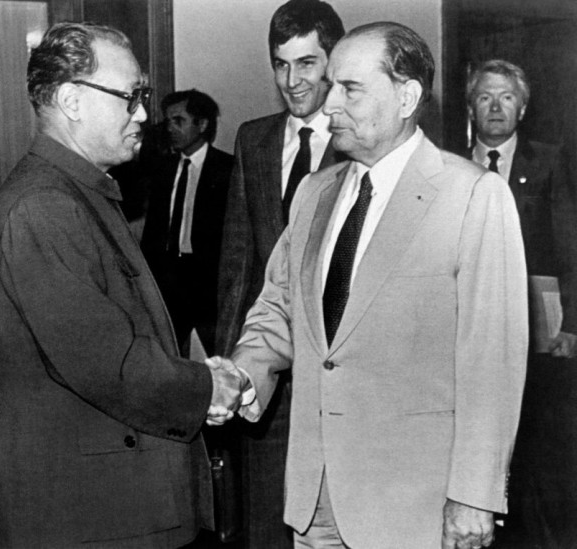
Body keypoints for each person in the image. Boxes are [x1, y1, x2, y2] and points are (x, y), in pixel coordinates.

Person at [209, 22, 529, 549]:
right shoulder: (315, 192)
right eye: (330, 84)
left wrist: (475, 494)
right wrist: (242, 375)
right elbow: (280, 309)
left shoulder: (473, 196)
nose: (327, 103)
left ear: (406, 96)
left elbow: (492, 359)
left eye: (349, 88)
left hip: (415, 502)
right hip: (315, 497)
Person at [0, 22, 242, 548]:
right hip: (95, 517)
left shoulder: (77, 193)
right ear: (72, 100)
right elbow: (109, 363)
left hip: (109, 507)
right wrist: (207, 385)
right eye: (130, 96)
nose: (143, 113)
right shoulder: (45, 207)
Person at [214, 1, 344, 546]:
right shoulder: (254, 138)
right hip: (264, 382)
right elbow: (238, 262)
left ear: (335, 61)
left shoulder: (359, 143)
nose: (292, 81)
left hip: (333, 374)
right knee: (266, 521)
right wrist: (228, 369)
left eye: (307, 64)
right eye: (280, 65)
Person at [467, 59, 577, 548]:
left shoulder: (550, 162)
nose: (495, 107)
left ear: (523, 108)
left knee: (535, 441)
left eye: (506, 97)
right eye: (486, 97)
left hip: (538, 325)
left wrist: (571, 324)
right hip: (469, 325)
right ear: (471, 106)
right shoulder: (446, 166)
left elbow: (571, 246)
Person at [141, 90, 233, 357]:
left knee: (222, 356)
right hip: (168, 278)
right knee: (164, 357)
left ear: (202, 125)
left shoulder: (229, 169)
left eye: (178, 121)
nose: (170, 128)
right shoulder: (163, 168)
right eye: (167, 121)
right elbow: (152, 231)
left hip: (208, 283)